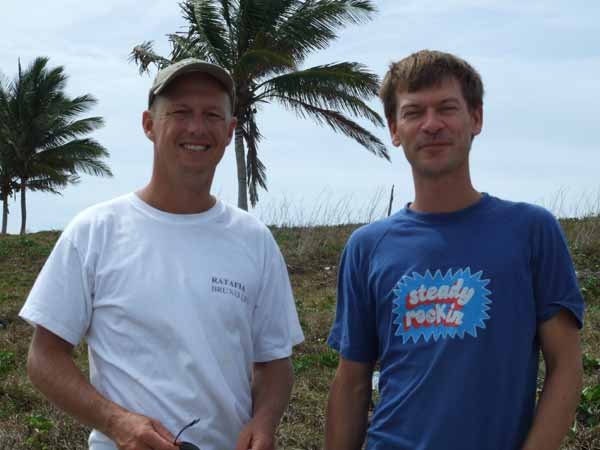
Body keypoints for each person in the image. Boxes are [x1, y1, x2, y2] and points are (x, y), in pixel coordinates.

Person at [20, 58, 304, 450]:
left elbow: (274, 362)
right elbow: (43, 357)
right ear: (149, 125)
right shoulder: (94, 231)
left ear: (229, 131)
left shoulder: (255, 240)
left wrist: (264, 421)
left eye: (211, 115)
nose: (196, 128)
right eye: (180, 112)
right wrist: (117, 423)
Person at [325, 50, 584, 450]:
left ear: (475, 118)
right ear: (394, 129)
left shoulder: (532, 230)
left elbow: (565, 366)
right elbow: (351, 382)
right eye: (414, 113)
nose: (431, 125)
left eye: (447, 108)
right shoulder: (367, 246)